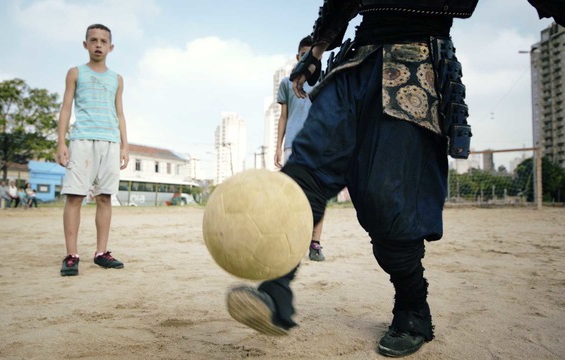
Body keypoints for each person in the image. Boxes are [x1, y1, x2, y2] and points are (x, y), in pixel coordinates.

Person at [227, 1, 565, 357]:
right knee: (307, 167)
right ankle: (277, 288)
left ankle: (412, 309)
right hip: (355, 62)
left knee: (387, 201)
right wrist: (316, 51)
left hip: (412, 66)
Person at [55, 23, 129, 277]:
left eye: (103, 41)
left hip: (109, 142)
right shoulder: (75, 73)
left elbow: (120, 113)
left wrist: (124, 145)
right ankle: (72, 255)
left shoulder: (117, 79)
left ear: (111, 47)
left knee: (105, 197)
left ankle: (101, 253)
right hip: (82, 140)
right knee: (75, 196)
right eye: (93, 40)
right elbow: (66, 107)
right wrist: (61, 142)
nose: (98, 45)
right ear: (85, 44)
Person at [275, 35, 326, 262]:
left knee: (318, 196)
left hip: (318, 146)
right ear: (298, 57)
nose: (307, 58)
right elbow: (283, 117)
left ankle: (314, 244)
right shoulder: (287, 83)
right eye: (303, 54)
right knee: (291, 196)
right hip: (292, 147)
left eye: (311, 55)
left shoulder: (324, 81)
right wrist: (278, 147)